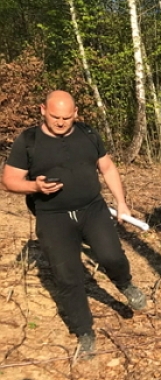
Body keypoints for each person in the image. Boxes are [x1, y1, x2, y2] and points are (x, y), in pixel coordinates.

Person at [1, 90, 147, 358]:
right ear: (42, 110)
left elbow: (108, 168)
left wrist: (121, 202)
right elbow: (9, 180)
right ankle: (84, 332)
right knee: (67, 277)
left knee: (111, 256)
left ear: (76, 113)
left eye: (67, 117)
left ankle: (125, 284)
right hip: (53, 217)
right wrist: (34, 186)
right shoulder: (28, 140)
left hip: (92, 209)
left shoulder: (88, 134)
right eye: (55, 116)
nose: (60, 122)